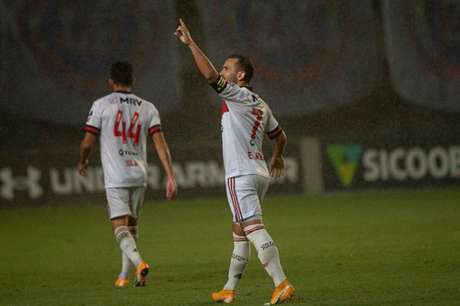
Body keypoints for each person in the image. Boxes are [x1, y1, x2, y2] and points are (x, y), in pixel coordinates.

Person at [174, 19, 295, 304]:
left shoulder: (237, 94)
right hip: (259, 172)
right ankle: (229, 288)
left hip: (240, 174)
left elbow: (209, 77)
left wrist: (191, 44)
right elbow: (281, 136)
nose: (222, 71)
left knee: (252, 228)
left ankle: (282, 283)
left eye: (227, 68)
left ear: (240, 76)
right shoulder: (260, 103)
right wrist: (277, 157)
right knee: (239, 231)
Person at [78, 61, 177, 288]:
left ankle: (139, 263)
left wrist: (82, 161)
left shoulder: (101, 105)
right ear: (133, 81)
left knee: (119, 227)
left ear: (110, 81)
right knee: (132, 225)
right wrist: (170, 175)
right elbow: (161, 145)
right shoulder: (148, 107)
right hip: (139, 174)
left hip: (116, 176)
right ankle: (124, 275)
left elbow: (87, 142)